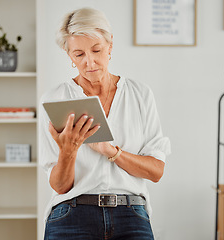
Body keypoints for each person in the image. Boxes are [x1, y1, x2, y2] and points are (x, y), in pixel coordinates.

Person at [39, 7, 171, 240]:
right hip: (71, 213)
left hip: (131, 213)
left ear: (110, 46)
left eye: (96, 50)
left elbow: (156, 171)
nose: (89, 62)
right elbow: (60, 187)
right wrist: (68, 151)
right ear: (69, 55)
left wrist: (112, 152)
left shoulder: (140, 95)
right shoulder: (55, 100)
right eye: (79, 54)